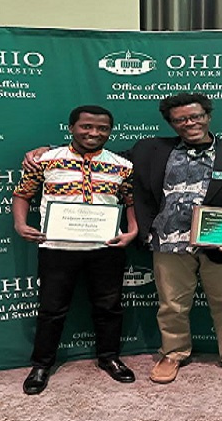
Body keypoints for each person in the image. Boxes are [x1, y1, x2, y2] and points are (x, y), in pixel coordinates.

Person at [23, 93, 222, 386]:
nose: (189, 123)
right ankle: (174, 353)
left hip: (220, 242)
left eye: (196, 116)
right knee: (171, 305)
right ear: (171, 123)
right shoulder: (149, 149)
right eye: (180, 119)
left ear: (208, 116)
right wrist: (49, 152)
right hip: (167, 243)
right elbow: (98, 155)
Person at [13, 105, 137, 395]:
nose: (94, 133)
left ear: (110, 131)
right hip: (57, 247)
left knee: (109, 307)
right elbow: (22, 194)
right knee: (51, 309)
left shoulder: (123, 165)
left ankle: (110, 358)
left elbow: (130, 201)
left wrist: (132, 231)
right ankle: (42, 364)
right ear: (71, 128)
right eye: (86, 127)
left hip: (106, 247)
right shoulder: (44, 160)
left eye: (102, 128)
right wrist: (20, 224)